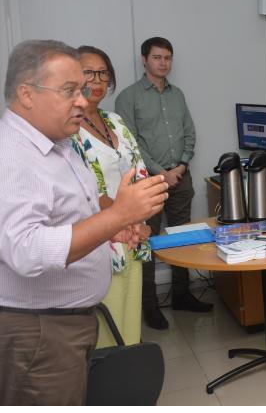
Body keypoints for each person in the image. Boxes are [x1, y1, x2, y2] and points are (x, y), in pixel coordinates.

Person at [1, 40, 168, 406]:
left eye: (83, 88)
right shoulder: (11, 155)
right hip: (40, 330)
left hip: (65, 322)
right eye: (69, 90)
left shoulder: (57, 142)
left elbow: (74, 211)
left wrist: (113, 225)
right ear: (26, 94)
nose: (82, 99)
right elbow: (27, 251)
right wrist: (118, 216)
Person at [115, 36, 204, 330]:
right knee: (147, 241)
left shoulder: (177, 95)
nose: (163, 63)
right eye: (157, 57)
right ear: (144, 60)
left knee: (182, 238)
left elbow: (189, 132)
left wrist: (181, 165)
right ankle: (150, 306)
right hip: (147, 182)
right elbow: (131, 142)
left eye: (167, 58)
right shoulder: (128, 98)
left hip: (180, 177)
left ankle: (182, 294)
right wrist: (161, 173)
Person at [71, 46, 152, 348]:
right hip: (99, 241)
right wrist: (124, 219)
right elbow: (86, 189)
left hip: (132, 237)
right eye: (89, 73)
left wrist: (140, 221)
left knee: (129, 324)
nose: (97, 80)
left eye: (103, 74)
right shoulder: (68, 127)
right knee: (106, 328)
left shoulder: (115, 120)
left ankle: (127, 375)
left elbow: (139, 171)